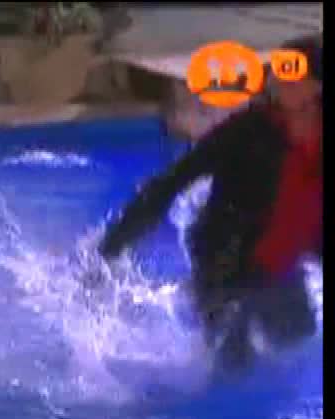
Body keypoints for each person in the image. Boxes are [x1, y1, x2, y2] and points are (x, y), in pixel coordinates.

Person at [96, 34, 322, 372]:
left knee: (298, 339)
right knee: (234, 365)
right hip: (223, 259)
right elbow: (172, 182)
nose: (277, 79)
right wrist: (112, 247)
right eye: (277, 70)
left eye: (290, 72)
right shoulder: (247, 131)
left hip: (277, 261)